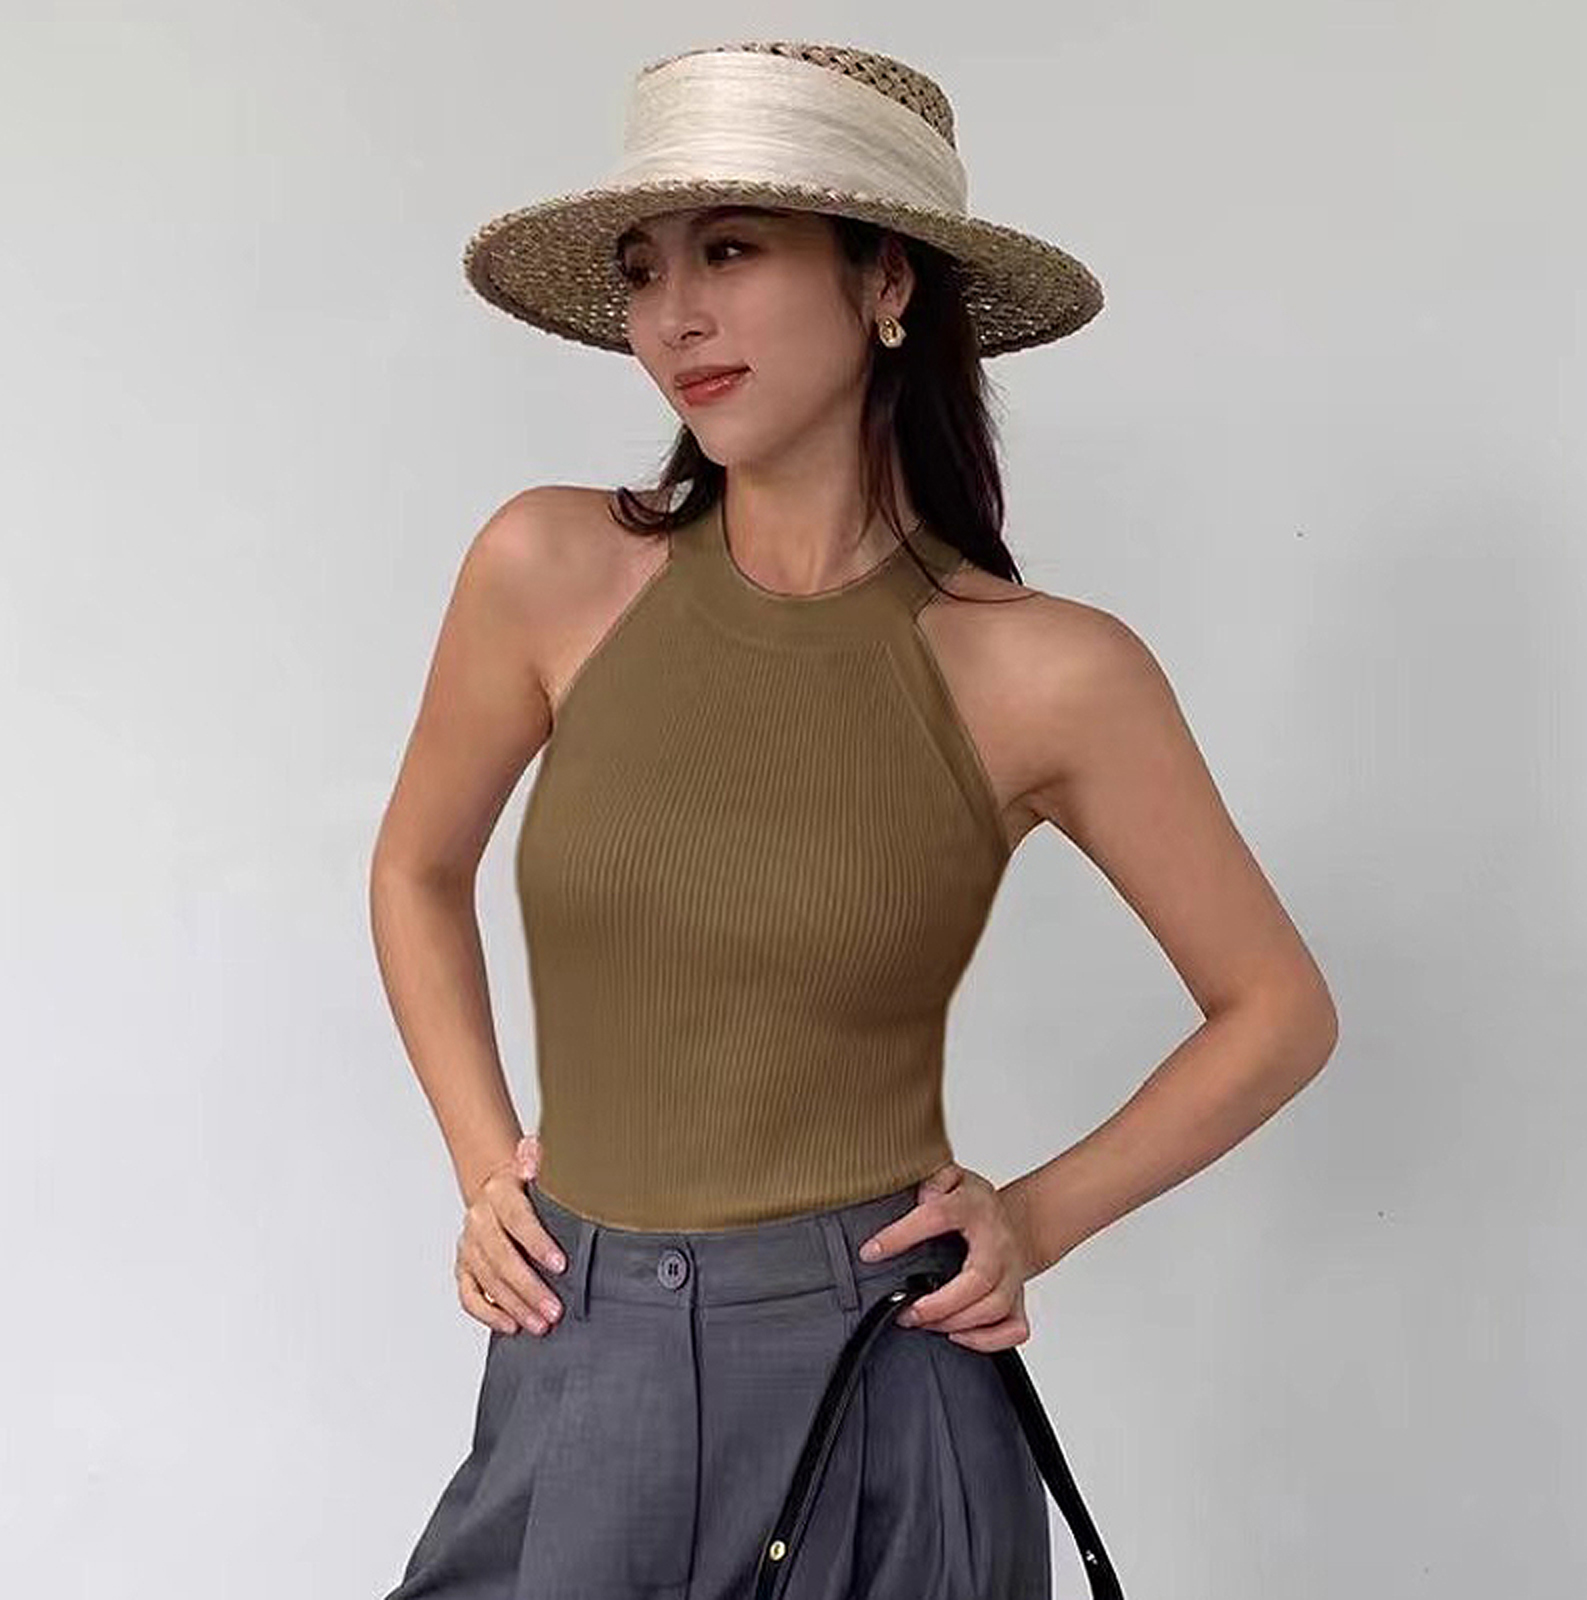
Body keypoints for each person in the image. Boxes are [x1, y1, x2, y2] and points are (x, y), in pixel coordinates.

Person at [369, 38, 1338, 1600]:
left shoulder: (1044, 671)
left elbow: (1278, 1008)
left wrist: (1035, 1219)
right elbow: (418, 868)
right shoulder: (547, 572)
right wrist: (490, 1171)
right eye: (643, 268)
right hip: (579, 1348)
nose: (671, 317)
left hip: (877, 1369)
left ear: (886, 279)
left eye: (731, 250)